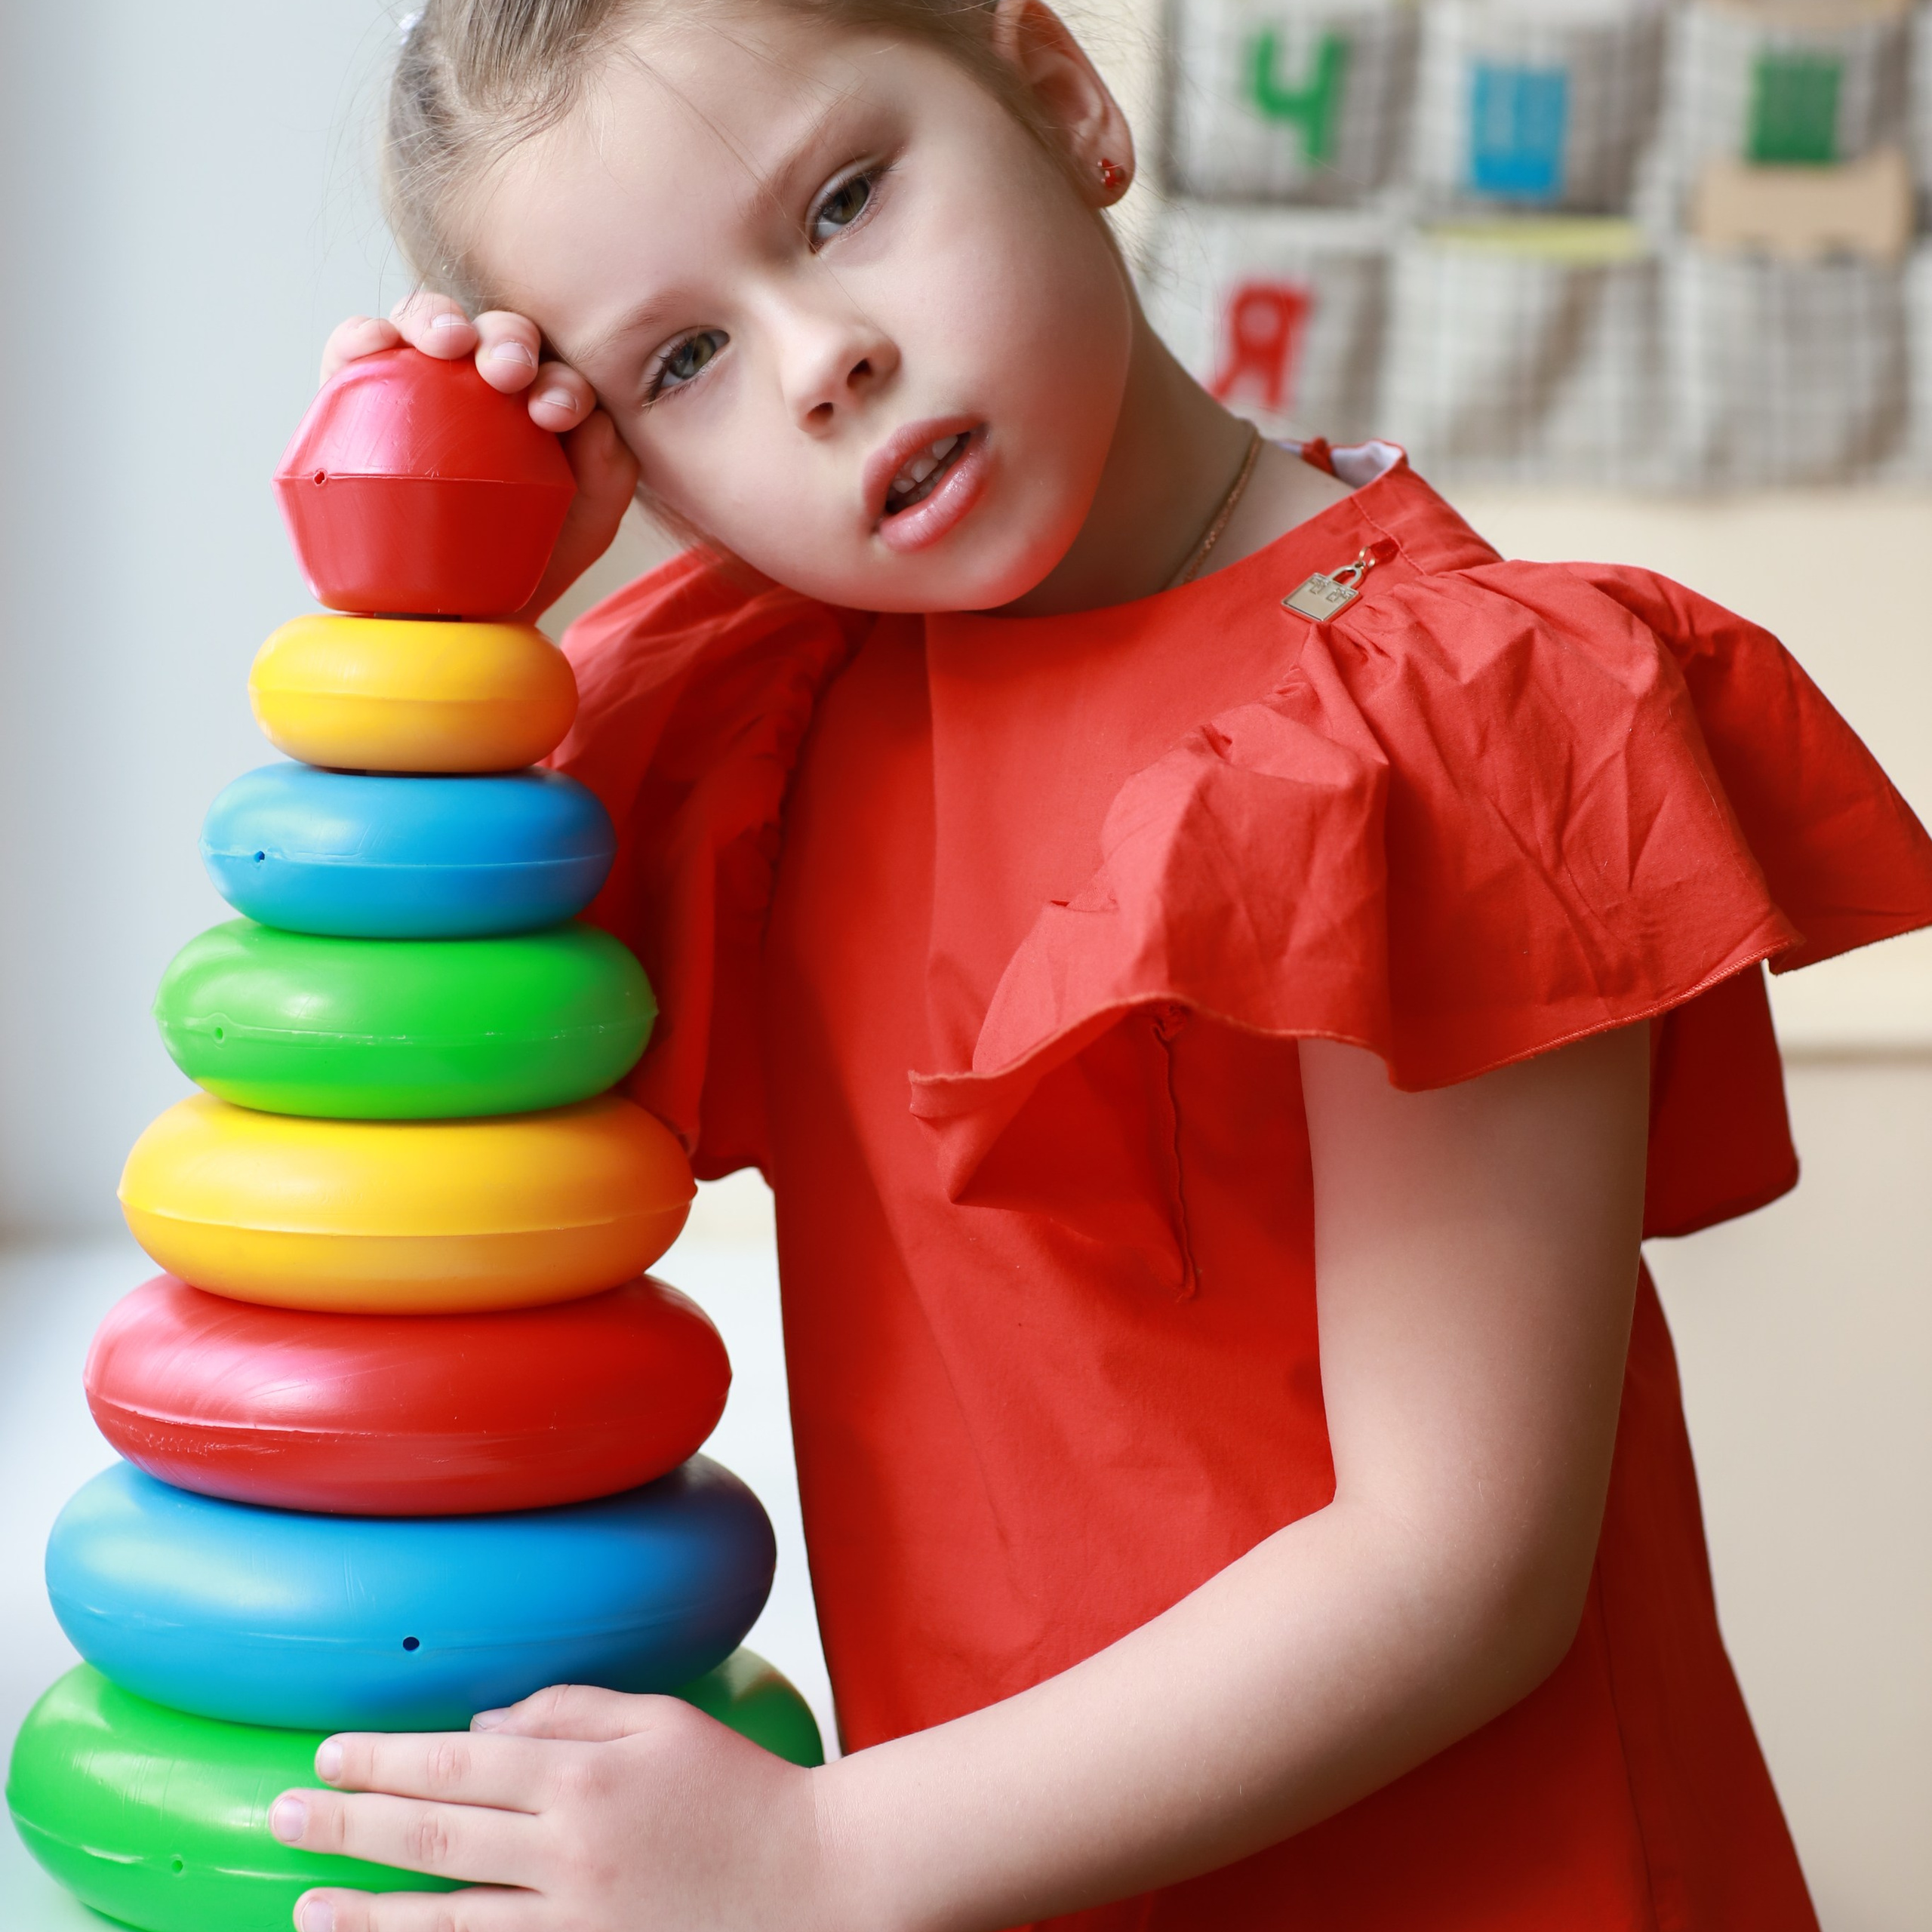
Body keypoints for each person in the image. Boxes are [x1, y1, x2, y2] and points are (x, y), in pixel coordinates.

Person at [266, 2, 1932, 1927]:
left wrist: (822, 1855)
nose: (825, 363)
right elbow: (383, 1092)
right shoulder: (760, 710)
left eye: (844, 198)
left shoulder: (1443, 717)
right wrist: (469, 567)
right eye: (684, 360)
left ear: (1058, 96)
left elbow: (1455, 1567)